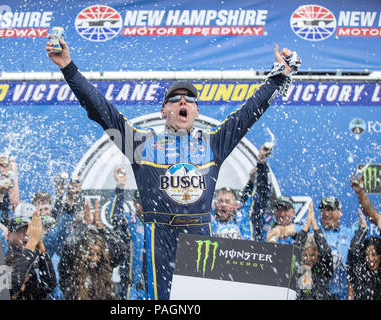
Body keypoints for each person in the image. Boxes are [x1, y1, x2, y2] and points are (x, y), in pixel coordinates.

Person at [46, 36, 301, 300]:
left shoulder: (214, 144)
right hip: (160, 236)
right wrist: (68, 67)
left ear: (197, 111)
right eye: (175, 98)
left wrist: (280, 76)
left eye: (189, 99)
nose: (183, 101)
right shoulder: (141, 144)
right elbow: (101, 110)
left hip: (199, 236)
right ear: (163, 110)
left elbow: (250, 112)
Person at [58, 199, 126, 300]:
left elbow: (121, 249)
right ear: (81, 254)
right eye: (90, 254)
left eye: (98, 255)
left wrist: (102, 228)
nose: (94, 258)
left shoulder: (104, 268)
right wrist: (84, 224)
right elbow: (68, 247)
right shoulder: (72, 272)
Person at [211, 144, 271, 241]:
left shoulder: (245, 218)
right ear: (215, 204)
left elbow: (261, 195)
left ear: (236, 205)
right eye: (220, 201)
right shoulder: (208, 222)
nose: (223, 204)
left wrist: (261, 164)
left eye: (227, 201)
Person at [108, 168, 147, 300]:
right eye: (141, 203)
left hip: (151, 286)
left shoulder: (156, 224)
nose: (144, 206)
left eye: (146, 202)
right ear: (135, 204)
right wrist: (120, 187)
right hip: (130, 287)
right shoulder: (129, 220)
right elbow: (114, 216)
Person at [5, 211, 57, 300]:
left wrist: (39, 244)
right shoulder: (2, 258)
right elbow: (11, 286)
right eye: (21, 231)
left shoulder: (30, 256)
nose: (25, 235)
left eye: (27, 231)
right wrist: (32, 241)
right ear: (9, 236)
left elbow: (49, 285)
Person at [294, 203, 333, 300]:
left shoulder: (323, 272)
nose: (308, 259)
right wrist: (307, 225)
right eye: (305, 255)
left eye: (312, 255)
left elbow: (326, 252)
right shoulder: (296, 270)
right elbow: (295, 251)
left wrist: (314, 225)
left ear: (318, 256)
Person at [318, 196, 353, 300]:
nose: (326, 213)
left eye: (330, 209)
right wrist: (278, 231)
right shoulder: (313, 229)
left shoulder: (349, 234)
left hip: (342, 294)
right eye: (323, 209)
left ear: (340, 212)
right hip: (318, 292)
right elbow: (290, 229)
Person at [347, 210, 381, 300]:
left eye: (374, 255)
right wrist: (362, 230)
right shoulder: (360, 272)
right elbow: (353, 251)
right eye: (367, 255)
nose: (370, 259)